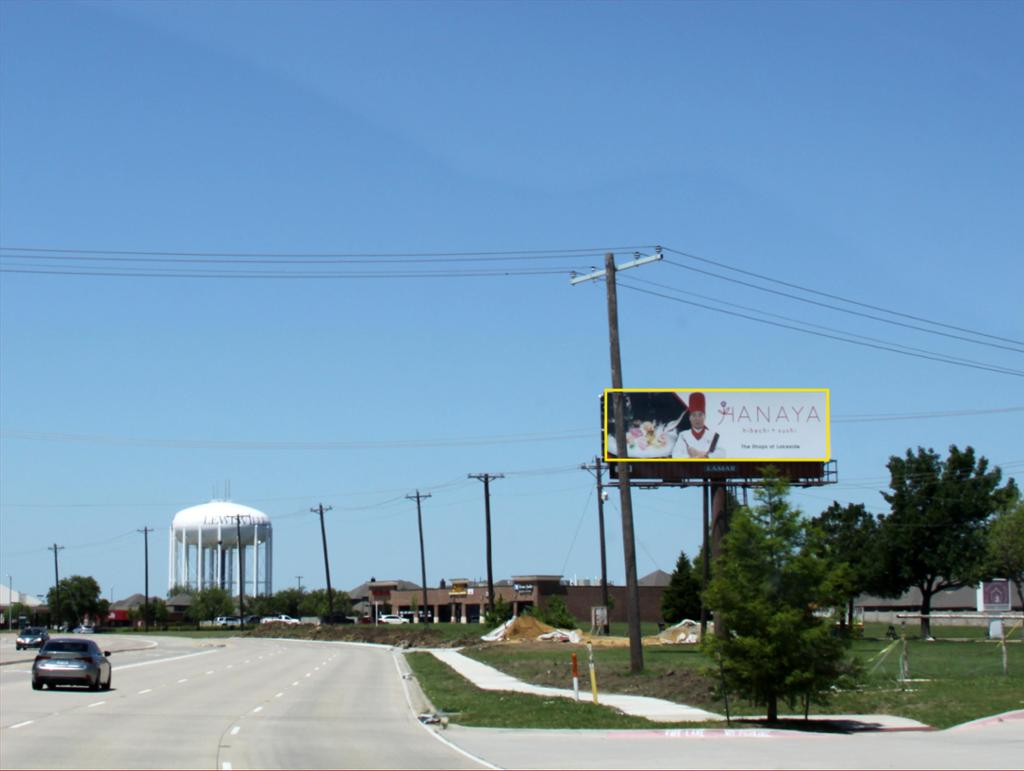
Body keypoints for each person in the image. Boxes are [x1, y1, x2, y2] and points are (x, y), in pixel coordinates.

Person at [672, 392, 725, 459]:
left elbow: (722, 453)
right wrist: (694, 458)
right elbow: (676, 455)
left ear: (705, 417)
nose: (697, 419)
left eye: (700, 415)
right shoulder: (683, 435)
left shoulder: (713, 436)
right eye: (694, 415)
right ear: (690, 418)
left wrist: (705, 456)